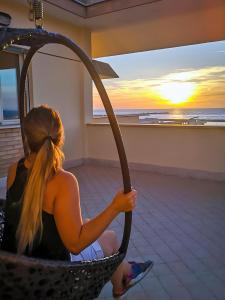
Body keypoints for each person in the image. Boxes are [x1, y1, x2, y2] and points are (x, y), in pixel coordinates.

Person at [1, 105, 153, 298]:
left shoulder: (14, 169)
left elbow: (38, 217)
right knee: (112, 238)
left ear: (26, 137)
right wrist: (116, 207)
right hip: (53, 276)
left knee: (87, 223)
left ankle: (124, 274)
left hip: (13, 272)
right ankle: (122, 280)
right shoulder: (63, 181)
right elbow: (75, 244)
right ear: (60, 137)